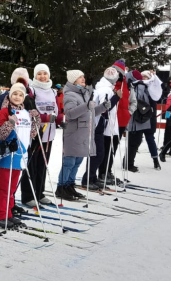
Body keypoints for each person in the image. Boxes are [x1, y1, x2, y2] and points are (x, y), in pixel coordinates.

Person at [57, 70, 114, 200]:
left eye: (83, 76)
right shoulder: (70, 94)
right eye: (79, 77)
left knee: (77, 161)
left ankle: (70, 185)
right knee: (69, 162)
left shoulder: (85, 93)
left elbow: (91, 111)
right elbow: (70, 114)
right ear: (73, 80)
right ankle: (62, 187)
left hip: (84, 132)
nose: (83, 79)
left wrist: (103, 107)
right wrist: (86, 106)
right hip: (74, 133)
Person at [0, 83, 37, 228]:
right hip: (8, 155)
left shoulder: (26, 113)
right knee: (4, 187)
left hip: (21, 155)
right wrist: (9, 123)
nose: (17, 97)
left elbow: (32, 134)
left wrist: (36, 120)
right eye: (15, 94)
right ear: (10, 95)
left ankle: (8, 213)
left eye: (20, 95)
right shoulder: (5, 111)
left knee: (11, 188)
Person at [24, 64, 59, 205]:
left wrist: (61, 119)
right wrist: (45, 118)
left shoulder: (53, 91)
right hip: (35, 133)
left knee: (42, 165)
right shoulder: (31, 90)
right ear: (35, 75)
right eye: (39, 74)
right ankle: (28, 195)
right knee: (31, 165)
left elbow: (56, 110)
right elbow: (29, 111)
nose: (42, 76)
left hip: (49, 134)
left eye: (45, 73)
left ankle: (39, 193)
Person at [126, 70, 163, 172]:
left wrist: (154, 78)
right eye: (142, 77)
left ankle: (155, 160)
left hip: (149, 118)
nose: (144, 79)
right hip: (139, 117)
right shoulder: (140, 86)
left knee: (149, 139)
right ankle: (128, 161)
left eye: (146, 77)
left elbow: (157, 95)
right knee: (135, 140)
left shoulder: (152, 88)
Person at [96, 65, 125, 185]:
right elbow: (105, 108)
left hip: (109, 124)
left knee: (108, 149)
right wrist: (117, 97)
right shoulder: (105, 89)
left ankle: (106, 172)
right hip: (105, 125)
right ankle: (103, 173)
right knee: (106, 150)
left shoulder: (107, 88)